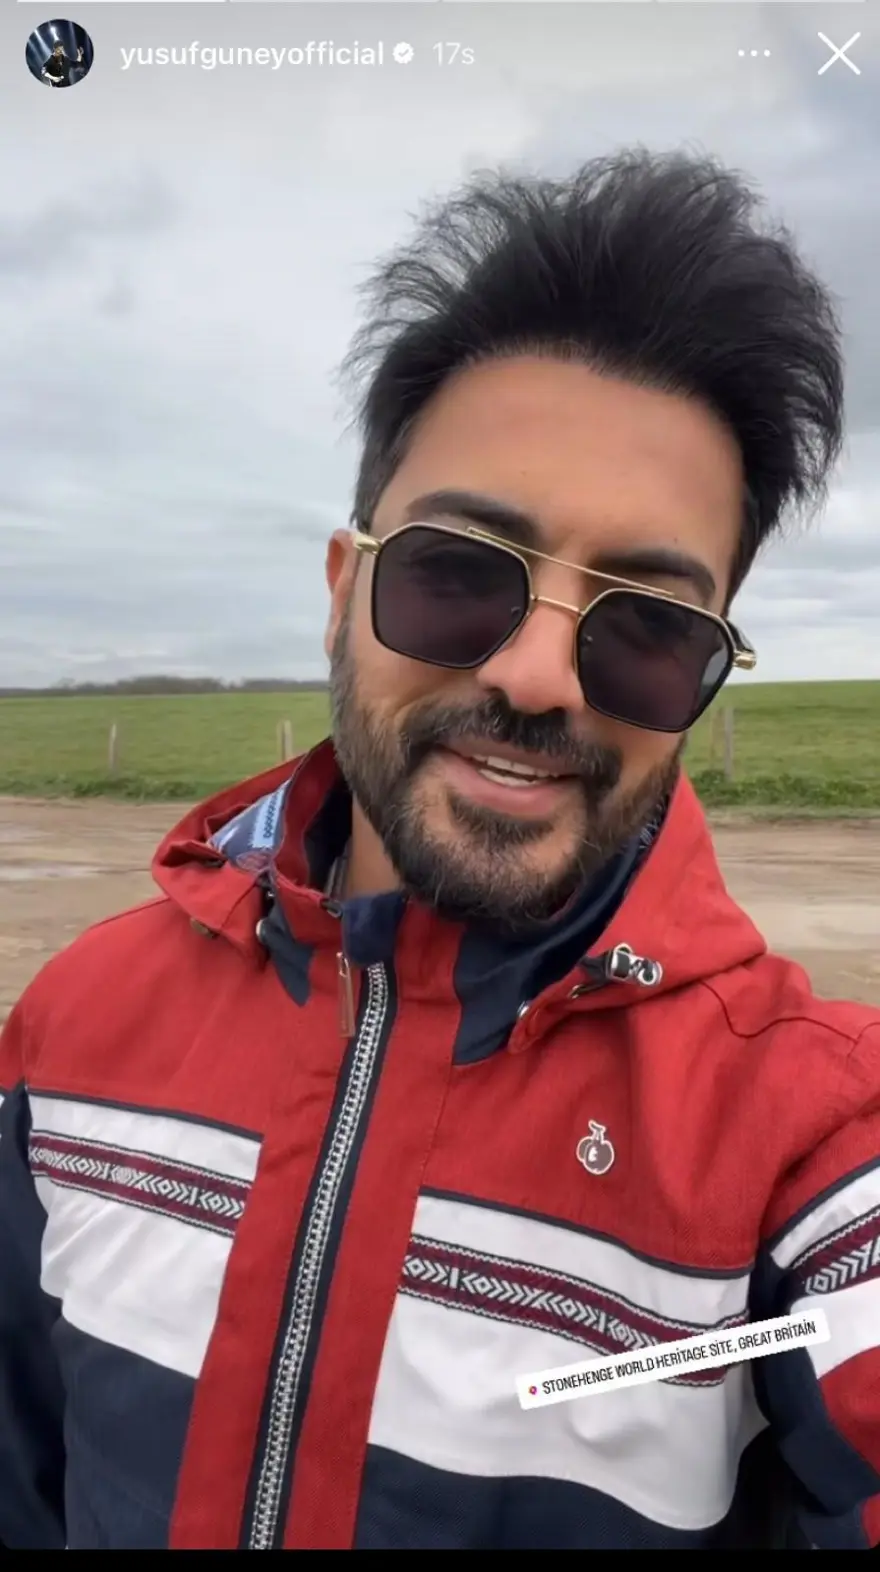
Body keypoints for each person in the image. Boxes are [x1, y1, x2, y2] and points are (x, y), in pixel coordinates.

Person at [0, 149, 878, 1552]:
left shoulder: (805, 1144)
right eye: (459, 572)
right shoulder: (73, 1029)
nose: (536, 676)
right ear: (343, 592)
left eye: (649, 627)